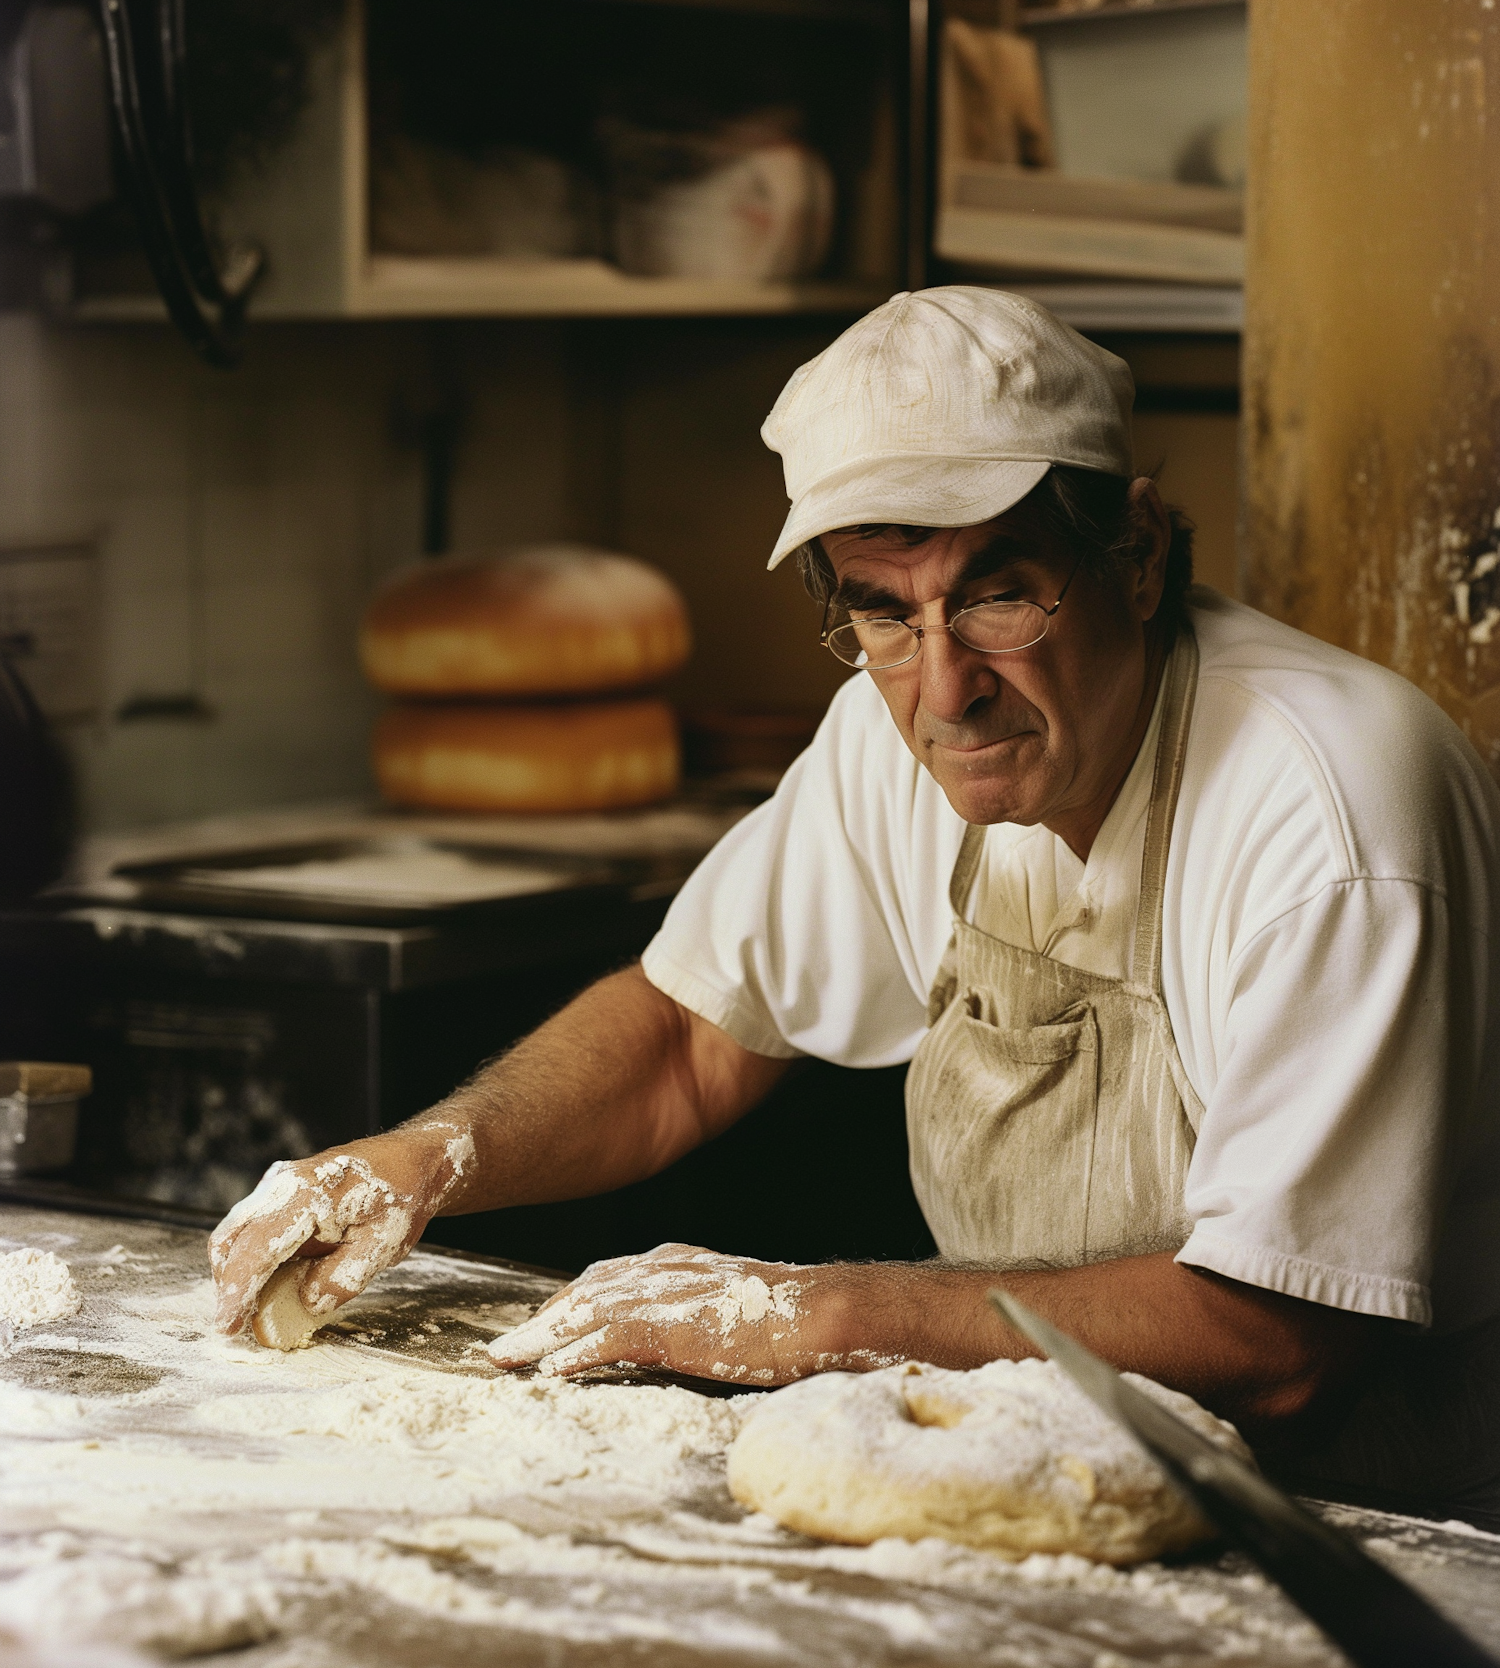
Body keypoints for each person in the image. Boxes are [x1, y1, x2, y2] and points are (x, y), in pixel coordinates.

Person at [210, 289, 1500, 1519]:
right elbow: (689, 1038)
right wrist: (427, 1158)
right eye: (884, 613)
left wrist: (818, 1320)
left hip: (1387, 1527)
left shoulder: (1330, 814)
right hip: (1063, 1469)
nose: (943, 690)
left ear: (1140, 551)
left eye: (999, 592)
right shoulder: (895, 746)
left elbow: (1276, 1342)